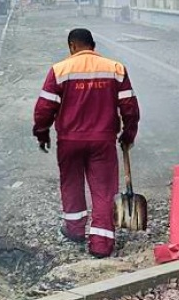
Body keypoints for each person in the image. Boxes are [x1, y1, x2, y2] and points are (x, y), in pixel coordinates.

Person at [33, 28, 140, 258]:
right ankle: (101, 244)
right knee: (103, 189)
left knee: (71, 184)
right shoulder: (115, 69)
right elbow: (129, 107)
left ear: (72, 46)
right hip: (103, 141)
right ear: (93, 45)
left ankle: (74, 230)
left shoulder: (59, 70)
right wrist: (129, 133)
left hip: (69, 141)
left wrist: (42, 133)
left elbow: (44, 108)